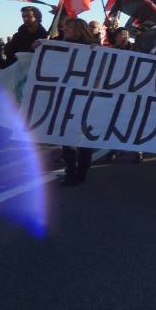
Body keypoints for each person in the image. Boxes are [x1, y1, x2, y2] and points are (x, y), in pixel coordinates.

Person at [57, 18, 98, 186]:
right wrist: (39, 46)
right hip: (65, 96)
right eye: (64, 27)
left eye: (68, 27)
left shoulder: (93, 48)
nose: (64, 29)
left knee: (83, 137)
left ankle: (82, 172)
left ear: (78, 29)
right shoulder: (61, 45)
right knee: (66, 136)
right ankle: (70, 172)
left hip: (86, 98)